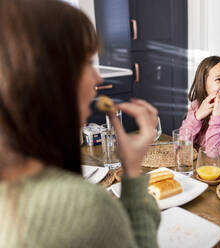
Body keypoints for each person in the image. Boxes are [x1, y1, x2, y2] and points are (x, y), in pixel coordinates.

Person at [0, 0, 160, 247]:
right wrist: (134, 173)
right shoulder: (88, 209)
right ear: (50, 77)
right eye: (87, 63)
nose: (97, 79)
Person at [179, 56, 220, 154]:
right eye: (218, 79)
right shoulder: (196, 105)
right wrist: (197, 116)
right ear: (204, 83)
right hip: (195, 164)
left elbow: (213, 153)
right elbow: (180, 146)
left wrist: (218, 117)